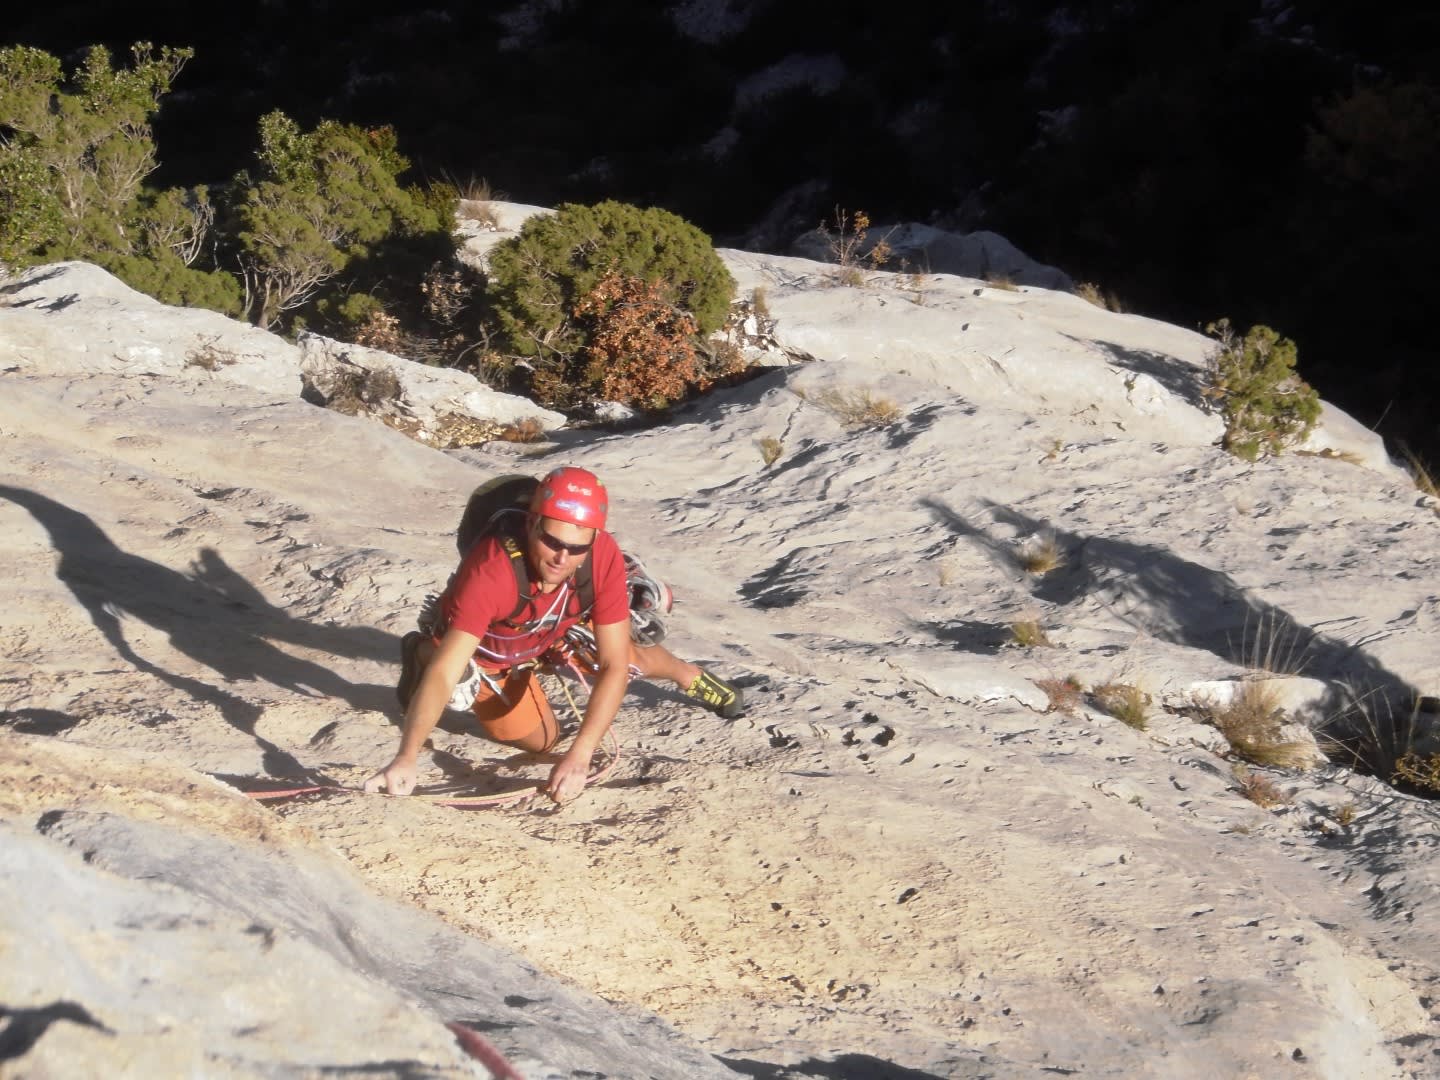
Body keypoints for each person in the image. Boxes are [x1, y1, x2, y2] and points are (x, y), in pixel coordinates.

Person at [363, 466, 743, 804]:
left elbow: (614, 664)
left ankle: (689, 676)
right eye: (552, 541)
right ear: (531, 524)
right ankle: (422, 652)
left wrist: (580, 755)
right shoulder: (491, 573)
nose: (562, 558)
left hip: (558, 626)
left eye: (576, 547)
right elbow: (448, 671)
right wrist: (406, 758)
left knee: (623, 652)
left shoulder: (601, 556)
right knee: (541, 740)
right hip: (492, 650)